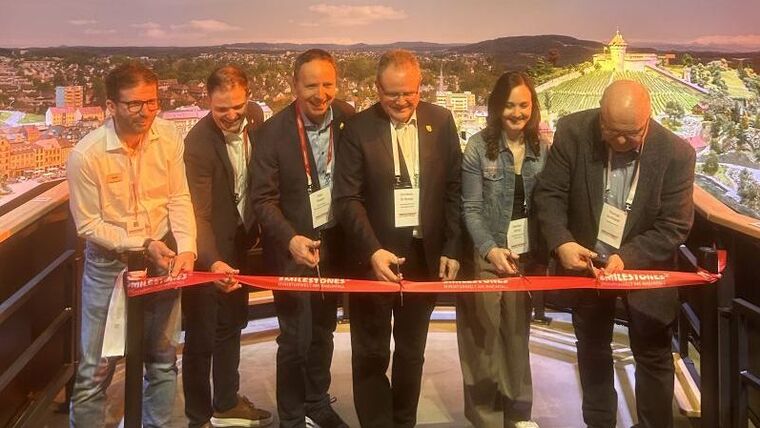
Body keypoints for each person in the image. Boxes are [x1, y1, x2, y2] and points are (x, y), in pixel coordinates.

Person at [533, 80, 695, 428]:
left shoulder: (677, 153)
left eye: (630, 134)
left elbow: (674, 226)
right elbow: (550, 195)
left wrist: (628, 257)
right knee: (592, 351)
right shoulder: (574, 132)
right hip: (588, 266)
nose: (620, 141)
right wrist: (561, 242)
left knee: (653, 358)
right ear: (600, 117)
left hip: (644, 270)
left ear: (647, 120)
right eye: (611, 131)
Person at [332, 49, 462, 428]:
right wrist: (372, 250)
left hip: (423, 258)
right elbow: (347, 199)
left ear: (420, 86)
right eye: (392, 94)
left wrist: (452, 246)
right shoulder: (357, 129)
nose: (402, 101)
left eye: (409, 92)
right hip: (374, 261)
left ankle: (404, 421)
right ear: (377, 89)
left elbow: (455, 189)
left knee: (411, 352)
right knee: (371, 354)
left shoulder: (441, 121)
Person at [66, 62, 197, 427]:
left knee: (162, 359)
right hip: (109, 264)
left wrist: (187, 247)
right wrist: (143, 242)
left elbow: (178, 197)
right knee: (96, 368)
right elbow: (88, 224)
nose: (146, 112)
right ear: (111, 106)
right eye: (135, 104)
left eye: (152, 102)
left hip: (162, 257)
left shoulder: (169, 136)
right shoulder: (87, 154)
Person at [251, 49, 353, 428]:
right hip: (291, 250)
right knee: (295, 338)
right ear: (294, 85)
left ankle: (316, 402)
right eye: (311, 85)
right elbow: (263, 200)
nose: (320, 94)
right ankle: (292, 418)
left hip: (334, 246)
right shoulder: (271, 132)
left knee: (324, 331)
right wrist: (290, 239)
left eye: (327, 84)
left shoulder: (348, 119)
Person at [183, 65, 272, 428]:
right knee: (201, 336)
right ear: (208, 101)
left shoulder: (256, 116)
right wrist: (212, 261)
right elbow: (199, 215)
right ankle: (197, 417)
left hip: (240, 243)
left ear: (248, 96)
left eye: (237, 106)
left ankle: (226, 401)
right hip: (208, 249)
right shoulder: (198, 143)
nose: (232, 115)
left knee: (233, 325)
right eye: (222, 109)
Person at [457, 71, 546, 428]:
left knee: (517, 336)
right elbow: (470, 208)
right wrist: (491, 250)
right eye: (509, 105)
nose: (517, 113)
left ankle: (518, 415)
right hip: (486, 254)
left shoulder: (542, 148)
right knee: (483, 339)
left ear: (533, 107)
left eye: (524, 105)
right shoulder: (478, 147)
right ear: (497, 107)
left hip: (525, 257)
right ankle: (486, 419)